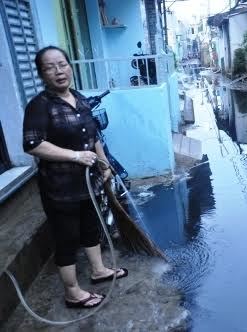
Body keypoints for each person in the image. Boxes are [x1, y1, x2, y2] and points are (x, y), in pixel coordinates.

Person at [23, 46, 128, 309]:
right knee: (67, 237)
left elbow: (92, 136)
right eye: (50, 67)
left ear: (70, 66)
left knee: (91, 227)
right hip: (60, 188)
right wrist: (74, 156)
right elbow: (33, 144)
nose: (59, 71)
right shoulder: (39, 106)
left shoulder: (79, 98)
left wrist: (103, 164)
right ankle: (72, 293)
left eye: (62, 64)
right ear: (41, 74)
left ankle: (98, 270)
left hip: (87, 183)